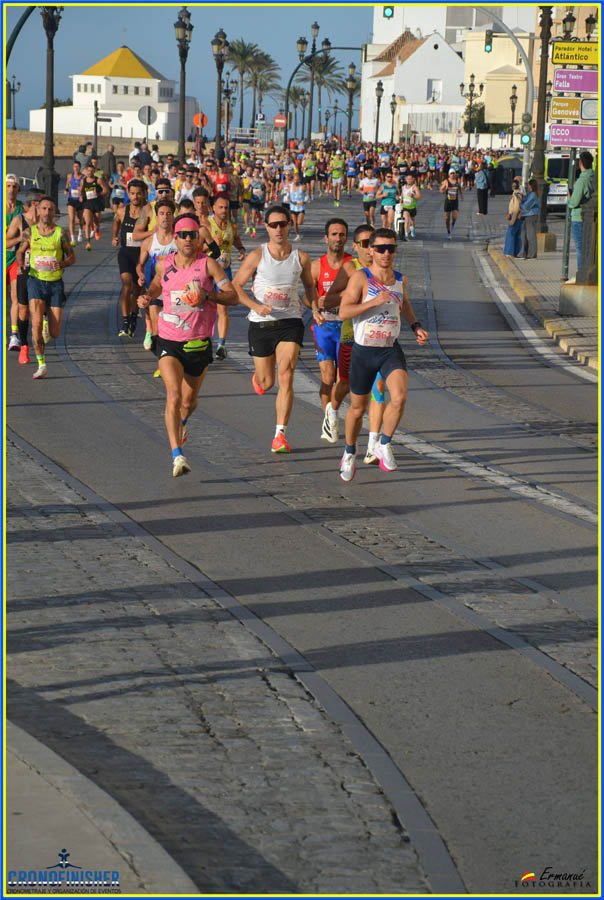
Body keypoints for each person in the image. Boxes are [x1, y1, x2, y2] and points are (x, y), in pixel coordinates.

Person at [137, 214, 237, 477]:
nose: (188, 239)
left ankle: (182, 423)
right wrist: (148, 295)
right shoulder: (164, 263)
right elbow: (158, 284)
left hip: (198, 342)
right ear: (176, 238)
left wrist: (208, 295)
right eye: (183, 235)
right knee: (174, 395)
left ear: (199, 238)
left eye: (193, 235)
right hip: (169, 339)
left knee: (189, 401)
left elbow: (232, 296)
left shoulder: (209, 266)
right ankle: (177, 455)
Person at [337, 228, 429, 482]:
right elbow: (344, 312)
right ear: (371, 251)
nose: (386, 253)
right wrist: (373, 302)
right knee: (357, 409)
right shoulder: (361, 278)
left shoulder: (400, 279)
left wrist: (415, 326)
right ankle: (349, 452)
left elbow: (405, 305)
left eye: (391, 248)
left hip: (389, 349)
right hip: (363, 350)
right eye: (380, 248)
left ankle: (384, 443)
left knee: (399, 397)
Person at [233, 204, 318, 454]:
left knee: (287, 373)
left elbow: (310, 287)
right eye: (274, 225)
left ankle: (280, 434)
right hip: (261, 324)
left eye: (283, 224)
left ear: (289, 225)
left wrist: (316, 309)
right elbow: (237, 286)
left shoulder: (300, 257)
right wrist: (255, 306)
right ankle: (260, 378)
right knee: (267, 380)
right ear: (266, 227)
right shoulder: (257, 255)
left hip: (290, 322)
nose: (279, 229)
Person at [16, 196, 75, 380]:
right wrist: (20, 263)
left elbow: (72, 257)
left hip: (55, 283)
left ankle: (47, 323)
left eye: (50, 209)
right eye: (44, 209)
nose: (47, 212)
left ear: (54, 212)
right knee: (34, 326)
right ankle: (42, 364)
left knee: (55, 333)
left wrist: (62, 263)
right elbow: (20, 250)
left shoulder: (60, 233)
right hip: (35, 280)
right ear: (39, 210)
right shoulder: (31, 232)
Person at [310, 218, 353, 443]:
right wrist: (314, 308)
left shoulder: (352, 265)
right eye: (334, 234)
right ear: (326, 238)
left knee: (342, 379)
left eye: (342, 234)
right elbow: (309, 294)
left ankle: (332, 412)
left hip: (346, 327)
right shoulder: (317, 266)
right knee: (328, 377)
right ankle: (330, 419)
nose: (338, 238)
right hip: (324, 327)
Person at [5, 188, 43, 364]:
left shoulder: (47, 222)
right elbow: (5, 242)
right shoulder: (19, 221)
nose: (48, 207)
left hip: (44, 271)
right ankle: (24, 345)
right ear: (35, 204)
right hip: (24, 270)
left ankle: (42, 329)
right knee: (23, 309)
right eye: (43, 203)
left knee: (41, 308)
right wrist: (21, 239)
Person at [208, 194, 246, 359]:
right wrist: (209, 243)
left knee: (222, 308)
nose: (223, 210)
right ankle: (204, 339)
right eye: (220, 207)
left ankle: (221, 344)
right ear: (214, 208)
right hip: (207, 271)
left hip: (224, 271)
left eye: (226, 208)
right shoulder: (206, 225)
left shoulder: (232, 226)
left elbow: (236, 239)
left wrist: (242, 249)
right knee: (206, 306)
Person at [136, 198, 177, 352]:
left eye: (168, 214)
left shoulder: (179, 240)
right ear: (156, 216)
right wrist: (140, 274)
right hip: (155, 287)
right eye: (161, 214)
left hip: (175, 290)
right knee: (156, 324)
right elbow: (139, 264)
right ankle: (161, 359)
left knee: (173, 327)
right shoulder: (148, 242)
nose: (165, 217)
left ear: (172, 216)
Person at [112, 178, 147, 337]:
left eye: (139, 194)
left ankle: (133, 316)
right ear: (128, 193)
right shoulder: (122, 211)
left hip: (142, 256)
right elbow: (116, 222)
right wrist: (114, 236)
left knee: (137, 290)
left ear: (144, 194)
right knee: (127, 285)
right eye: (132, 193)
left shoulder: (148, 212)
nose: (135, 197)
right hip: (126, 253)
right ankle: (125, 321)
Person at [567, 150, 595, 276]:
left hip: (578, 217)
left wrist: (569, 198)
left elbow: (574, 202)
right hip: (590, 218)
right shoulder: (593, 177)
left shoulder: (581, 180)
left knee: (580, 248)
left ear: (580, 163)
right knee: (588, 248)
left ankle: (581, 274)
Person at [6, 173, 25, 351]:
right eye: (8, 186)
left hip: (14, 260)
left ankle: (14, 335)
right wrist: (18, 238)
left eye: (14, 187)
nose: (11, 190)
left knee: (16, 297)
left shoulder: (22, 210)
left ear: (19, 189)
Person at [63, 161, 84, 246]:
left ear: (80, 168)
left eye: (77, 167)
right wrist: (66, 190)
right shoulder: (69, 176)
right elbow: (67, 184)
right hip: (71, 199)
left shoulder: (83, 177)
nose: (76, 168)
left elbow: (83, 187)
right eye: (74, 166)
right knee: (71, 219)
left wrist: (81, 192)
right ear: (73, 167)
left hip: (79, 200)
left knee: (79, 218)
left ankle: (80, 232)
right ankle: (72, 238)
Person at [517, 179, 539, 259]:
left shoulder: (533, 195)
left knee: (531, 235)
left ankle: (532, 254)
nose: (528, 187)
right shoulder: (530, 194)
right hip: (526, 216)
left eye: (529, 185)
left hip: (531, 216)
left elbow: (526, 206)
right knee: (524, 235)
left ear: (532, 186)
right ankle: (523, 253)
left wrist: (520, 202)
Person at [503, 178, 524, 258]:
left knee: (511, 234)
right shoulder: (519, 194)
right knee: (517, 235)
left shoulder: (516, 195)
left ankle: (510, 252)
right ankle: (516, 251)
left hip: (515, 216)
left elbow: (517, 208)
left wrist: (513, 219)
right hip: (517, 216)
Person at [440, 169, 463, 239]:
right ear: (449, 174)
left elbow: (460, 189)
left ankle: (452, 226)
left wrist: (462, 196)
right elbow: (441, 190)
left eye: (454, 173)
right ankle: (448, 231)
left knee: (455, 217)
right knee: (447, 218)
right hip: (448, 201)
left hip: (455, 201)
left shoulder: (457, 181)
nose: (453, 174)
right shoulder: (446, 181)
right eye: (451, 173)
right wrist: (444, 189)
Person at [287, 170, 308, 241]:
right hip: (293, 207)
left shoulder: (302, 187)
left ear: (299, 180)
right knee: (295, 222)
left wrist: (304, 201)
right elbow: (287, 196)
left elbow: (307, 196)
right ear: (293, 179)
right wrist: (291, 201)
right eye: (295, 179)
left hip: (301, 207)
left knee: (299, 222)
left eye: (297, 180)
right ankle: (297, 235)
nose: (296, 181)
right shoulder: (290, 187)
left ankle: (301, 219)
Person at [401, 174, 421, 240]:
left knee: (412, 219)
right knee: (406, 219)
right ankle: (406, 234)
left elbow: (419, 197)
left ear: (413, 179)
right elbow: (402, 196)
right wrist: (400, 202)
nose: (409, 180)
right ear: (406, 180)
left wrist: (412, 195)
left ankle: (413, 229)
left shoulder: (414, 187)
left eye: (410, 179)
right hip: (405, 207)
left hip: (412, 207)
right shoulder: (403, 187)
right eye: (407, 179)